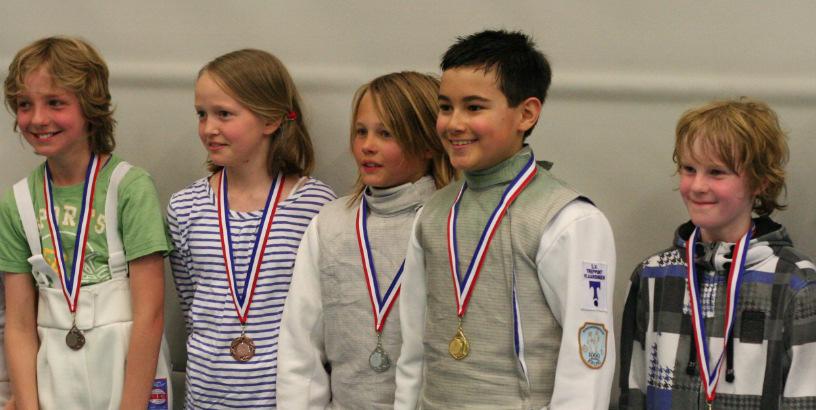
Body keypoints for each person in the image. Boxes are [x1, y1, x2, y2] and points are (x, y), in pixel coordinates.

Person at [394, 29, 617, 409]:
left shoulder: (569, 220)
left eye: (474, 107)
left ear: (526, 113)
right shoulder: (432, 214)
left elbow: (587, 364)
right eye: (446, 107)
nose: (454, 123)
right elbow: (413, 346)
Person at [0, 36, 173, 409]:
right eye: (24, 105)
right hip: (52, 369)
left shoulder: (128, 187)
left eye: (55, 103)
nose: (38, 119)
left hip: (128, 365)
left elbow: (151, 314)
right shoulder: (16, 203)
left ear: (91, 107)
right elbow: (17, 324)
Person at [618, 99, 816, 409]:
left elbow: (806, 399)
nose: (697, 186)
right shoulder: (652, 275)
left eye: (717, 172)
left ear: (760, 182)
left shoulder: (796, 283)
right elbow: (634, 393)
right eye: (688, 169)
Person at [166, 49, 336, 408]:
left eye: (224, 114)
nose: (209, 128)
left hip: (284, 398)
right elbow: (192, 306)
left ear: (271, 119)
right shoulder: (185, 207)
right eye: (201, 114)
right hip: (206, 396)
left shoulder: (316, 205)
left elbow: (322, 313)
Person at [277, 71, 455, 408]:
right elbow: (300, 347)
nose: (367, 146)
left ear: (429, 144)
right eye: (361, 132)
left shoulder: (451, 224)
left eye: (386, 133)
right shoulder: (329, 225)